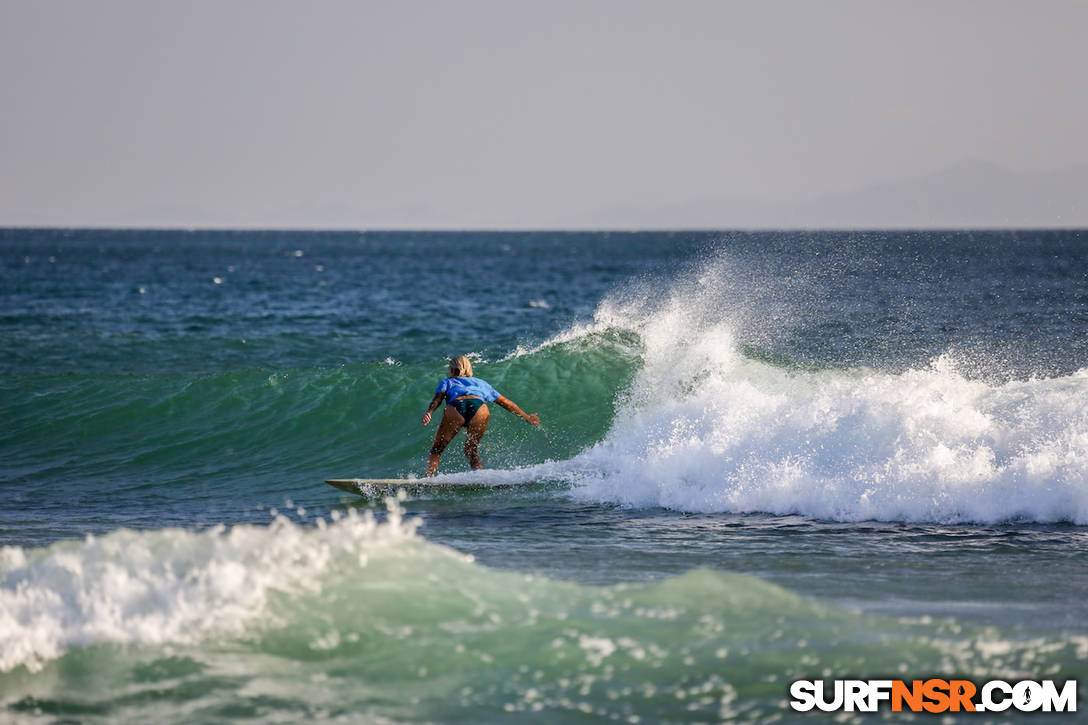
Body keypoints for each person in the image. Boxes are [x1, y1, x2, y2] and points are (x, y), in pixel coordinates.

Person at [421, 355, 540, 476]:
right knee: (471, 451)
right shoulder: (481, 383)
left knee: (436, 450)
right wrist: (527, 417)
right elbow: (505, 402)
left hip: (456, 407)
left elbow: (438, 399)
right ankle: (480, 477)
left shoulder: (447, 382)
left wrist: (429, 412)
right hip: (479, 408)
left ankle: (429, 479)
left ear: (452, 369)